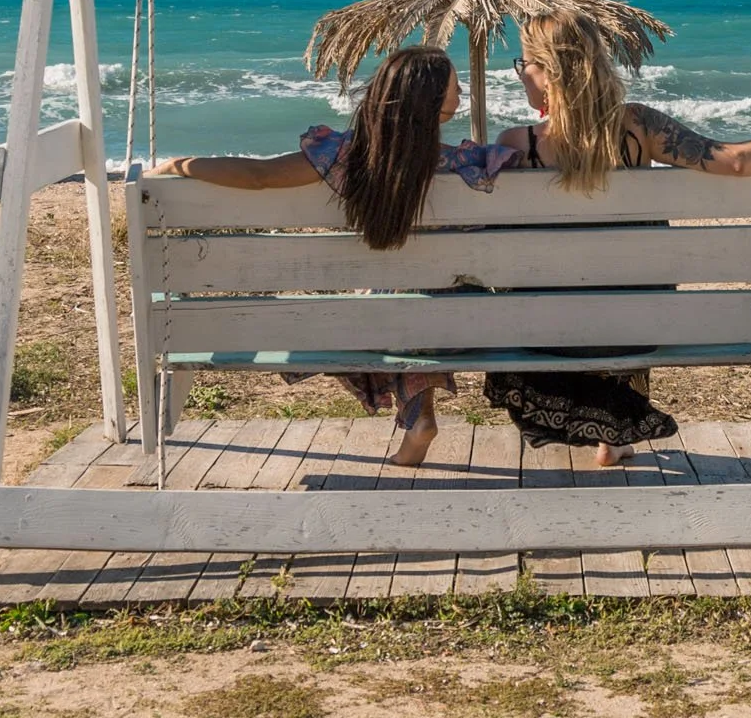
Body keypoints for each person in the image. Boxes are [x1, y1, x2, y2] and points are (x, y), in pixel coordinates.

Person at [487, 12, 751, 465]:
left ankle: (606, 425)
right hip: (639, 326)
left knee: (561, 282)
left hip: (545, 332)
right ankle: (614, 433)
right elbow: (734, 161)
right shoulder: (641, 127)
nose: (521, 74)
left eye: (524, 64)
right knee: (627, 277)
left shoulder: (517, 145)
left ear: (547, 73)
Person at [148, 44, 513, 466]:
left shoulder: (344, 156)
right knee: (423, 301)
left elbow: (259, 177)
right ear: (431, 102)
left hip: (365, 323)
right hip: (464, 329)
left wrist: (180, 165)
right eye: (454, 86)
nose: (462, 92)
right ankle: (420, 418)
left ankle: (420, 419)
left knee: (396, 303)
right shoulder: (466, 165)